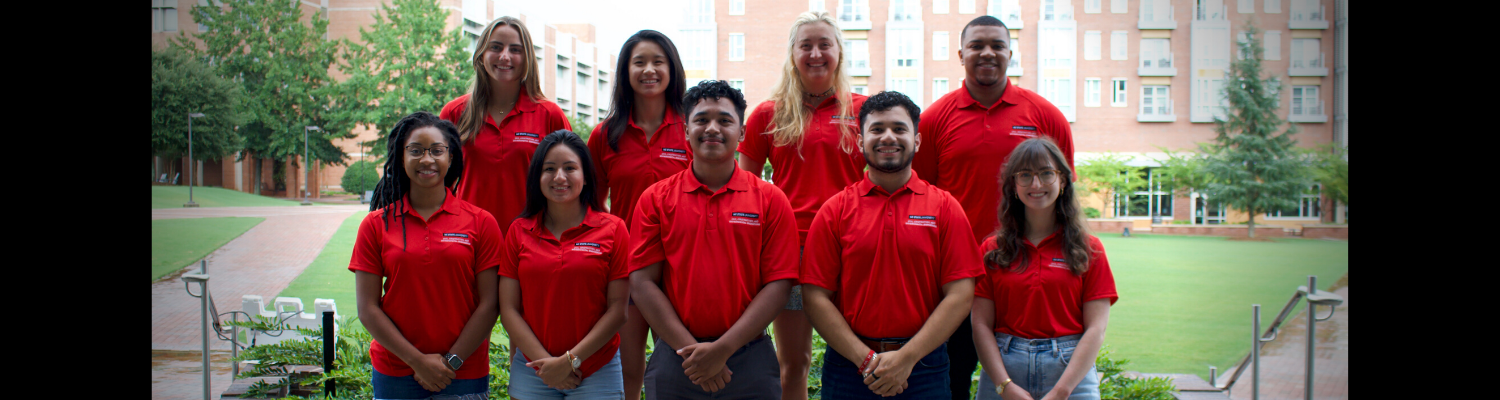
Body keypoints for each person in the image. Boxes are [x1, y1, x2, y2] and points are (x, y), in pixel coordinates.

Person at [912, 16, 1075, 399]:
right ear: (961, 54)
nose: (987, 53)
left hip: (1024, 274)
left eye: (997, 45)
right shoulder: (934, 119)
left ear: (1010, 53)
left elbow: (1066, 195)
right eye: (977, 45)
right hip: (956, 277)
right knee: (952, 380)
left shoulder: (1045, 116)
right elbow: (920, 197)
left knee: (1027, 380)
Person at [801, 91, 985, 400]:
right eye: (877, 129)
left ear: (917, 140)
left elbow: (961, 294)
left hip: (924, 367)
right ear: (861, 141)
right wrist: (865, 360)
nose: (888, 137)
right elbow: (815, 296)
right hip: (849, 366)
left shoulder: (944, 207)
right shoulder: (835, 210)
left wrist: (906, 358)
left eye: (899, 128)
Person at [630, 80, 799, 399]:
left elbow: (779, 285)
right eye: (702, 119)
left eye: (724, 120)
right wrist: (691, 352)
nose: (712, 128)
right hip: (676, 357)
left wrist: (723, 349)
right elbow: (642, 282)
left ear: (742, 132)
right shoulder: (656, 198)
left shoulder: (770, 200)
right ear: (686, 130)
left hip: (749, 357)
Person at [735, 12, 867, 399]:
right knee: (794, 362)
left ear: (839, 52)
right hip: (790, 252)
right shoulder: (769, 113)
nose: (815, 54)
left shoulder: (865, 111)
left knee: (860, 353)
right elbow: (744, 186)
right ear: (792, 54)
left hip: (851, 248)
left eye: (825, 44)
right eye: (805, 45)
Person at [350, 112, 501, 400]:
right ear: (401, 157)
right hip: (396, 372)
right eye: (416, 151)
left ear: (451, 157)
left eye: (436, 150)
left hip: (463, 372)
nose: (427, 159)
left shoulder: (481, 222)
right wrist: (417, 361)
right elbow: (367, 308)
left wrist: (451, 362)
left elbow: (490, 304)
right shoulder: (376, 224)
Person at [586, 29, 690, 400]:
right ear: (625, 71)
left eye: (658, 62)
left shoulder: (691, 128)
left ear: (672, 70)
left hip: (680, 267)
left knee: (679, 367)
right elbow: (592, 206)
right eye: (639, 62)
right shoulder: (605, 135)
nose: (649, 70)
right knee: (629, 370)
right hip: (627, 268)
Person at [971, 138, 1117, 400]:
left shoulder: (1089, 249)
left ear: (1063, 181)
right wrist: (1004, 386)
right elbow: (980, 324)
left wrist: (1061, 391)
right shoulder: (993, 250)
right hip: (1004, 370)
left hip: (1071, 375)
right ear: (1013, 185)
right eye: (1025, 175)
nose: (1036, 184)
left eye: (1046, 173)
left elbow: (1096, 328)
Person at [498, 130, 630, 399]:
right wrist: (548, 367)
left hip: (597, 367)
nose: (559, 177)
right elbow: (509, 309)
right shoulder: (518, 231)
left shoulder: (614, 229)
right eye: (549, 169)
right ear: (537, 177)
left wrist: (569, 362)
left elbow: (618, 309)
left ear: (586, 175)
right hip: (534, 368)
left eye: (570, 168)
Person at [442, 16, 571, 234]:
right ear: (481, 54)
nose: (504, 56)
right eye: (496, 47)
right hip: (469, 238)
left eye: (515, 50)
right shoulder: (454, 113)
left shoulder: (550, 115)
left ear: (527, 58)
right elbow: (438, 184)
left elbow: (572, 184)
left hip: (533, 240)